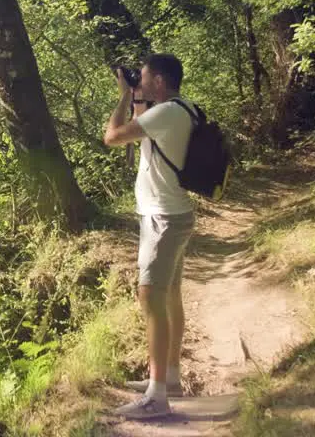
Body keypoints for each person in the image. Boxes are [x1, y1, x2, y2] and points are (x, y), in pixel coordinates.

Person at [103, 53, 196, 420]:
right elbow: (141, 134)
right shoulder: (180, 109)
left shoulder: (166, 114)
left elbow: (112, 136)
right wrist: (139, 100)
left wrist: (124, 97)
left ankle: (157, 397)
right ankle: (168, 376)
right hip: (172, 215)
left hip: (163, 219)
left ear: (159, 79)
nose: (138, 82)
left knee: (151, 299)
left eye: (142, 78)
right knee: (170, 295)